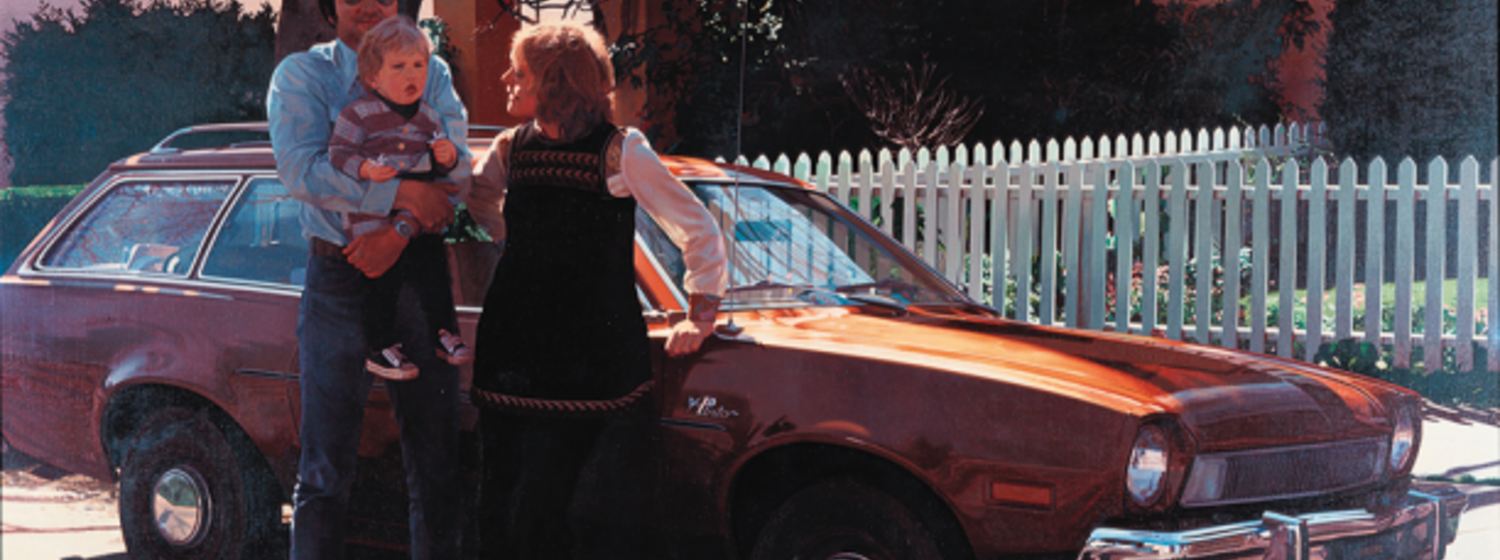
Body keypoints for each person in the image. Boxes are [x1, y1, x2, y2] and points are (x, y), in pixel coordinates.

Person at [464, 21, 728, 560]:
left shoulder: (619, 151)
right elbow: (479, 200)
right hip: (512, 348)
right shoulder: (510, 148)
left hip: (587, 361)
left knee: (556, 510)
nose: (505, 79)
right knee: (497, 500)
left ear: (555, 83)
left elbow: (695, 226)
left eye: (520, 71)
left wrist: (702, 310)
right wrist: (519, 245)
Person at [267, 0, 470, 556]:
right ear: (332, 5)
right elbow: (303, 169)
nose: (369, 4)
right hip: (339, 277)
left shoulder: (432, 69)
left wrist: (398, 231)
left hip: (417, 276)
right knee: (325, 470)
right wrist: (403, 192)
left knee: (436, 465)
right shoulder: (304, 75)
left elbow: (458, 172)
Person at [327, 15, 473, 380]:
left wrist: (448, 156)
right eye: (399, 67)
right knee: (382, 281)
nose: (412, 75)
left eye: (419, 65)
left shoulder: (428, 115)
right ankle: (379, 347)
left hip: (417, 221)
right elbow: (338, 154)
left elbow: (446, 168)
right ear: (373, 78)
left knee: (434, 268)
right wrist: (364, 169)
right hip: (374, 218)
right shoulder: (357, 115)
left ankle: (445, 333)